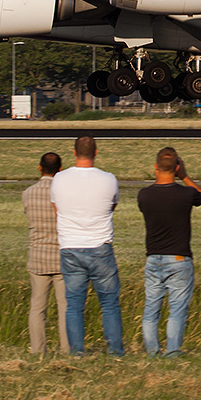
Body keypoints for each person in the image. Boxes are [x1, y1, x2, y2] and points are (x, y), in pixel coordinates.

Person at [49, 135, 123, 356]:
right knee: (109, 304)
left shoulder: (59, 179)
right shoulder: (109, 179)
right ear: (96, 152)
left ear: (74, 153)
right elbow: (112, 206)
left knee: (74, 304)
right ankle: (115, 351)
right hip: (100, 245)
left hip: (70, 246)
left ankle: (77, 352)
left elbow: (56, 209)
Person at [136, 146, 201, 357]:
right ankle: (173, 350)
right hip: (179, 257)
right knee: (177, 309)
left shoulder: (145, 195)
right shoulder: (186, 194)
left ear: (156, 167)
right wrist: (184, 176)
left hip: (153, 257)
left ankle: (152, 351)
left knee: (151, 309)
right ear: (176, 167)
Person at [21, 151, 68, 354]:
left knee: (37, 307)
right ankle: (68, 348)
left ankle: (38, 349)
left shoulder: (28, 193)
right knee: (65, 308)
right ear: (60, 170)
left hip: (38, 255)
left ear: (40, 168)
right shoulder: (65, 193)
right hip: (62, 257)